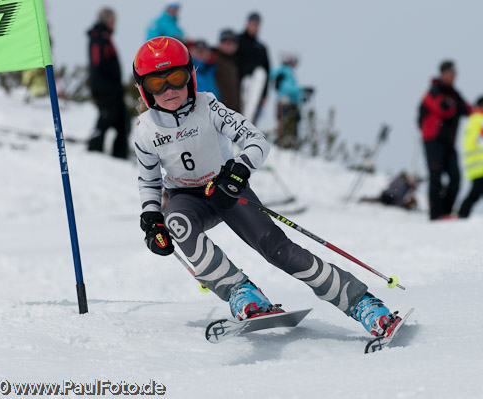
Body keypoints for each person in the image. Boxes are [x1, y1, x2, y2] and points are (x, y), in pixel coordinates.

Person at [132, 36, 403, 338]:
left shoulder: (208, 106)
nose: (169, 90)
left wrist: (238, 171)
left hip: (227, 189)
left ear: (190, 77)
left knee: (278, 249)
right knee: (176, 223)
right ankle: (241, 292)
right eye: (157, 83)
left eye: (176, 78)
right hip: (187, 198)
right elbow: (149, 179)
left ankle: (363, 304)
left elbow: (256, 140)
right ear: (144, 90)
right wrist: (151, 217)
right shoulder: (145, 131)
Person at [418, 60, 471, 220]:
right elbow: (444, 109)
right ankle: (435, 215)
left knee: (455, 177)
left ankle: (446, 212)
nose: (453, 77)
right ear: (442, 73)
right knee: (436, 176)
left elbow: (467, 109)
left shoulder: (454, 93)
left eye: (455, 74)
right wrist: (455, 107)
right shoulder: (433, 90)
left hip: (449, 143)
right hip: (433, 140)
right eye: (450, 73)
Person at [87, 7, 130, 159]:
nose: (115, 23)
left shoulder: (104, 36)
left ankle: (120, 155)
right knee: (106, 119)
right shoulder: (99, 36)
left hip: (111, 87)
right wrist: (111, 80)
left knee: (122, 121)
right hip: (105, 88)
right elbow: (98, 62)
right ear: (107, 20)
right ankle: (93, 151)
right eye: (113, 19)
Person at [270, 54, 314, 149]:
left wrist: (302, 98)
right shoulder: (286, 72)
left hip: (288, 103)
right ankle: (284, 146)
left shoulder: (284, 73)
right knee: (286, 126)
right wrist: (302, 90)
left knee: (287, 126)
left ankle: (286, 145)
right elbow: (288, 89)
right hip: (287, 103)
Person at [236, 12, 270, 125]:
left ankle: (248, 127)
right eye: (252, 23)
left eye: (257, 24)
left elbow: (267, 70)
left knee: (251, 111)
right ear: (247, 24)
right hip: (240, 83)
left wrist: (264, 94)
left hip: (256, 86)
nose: (254, 27)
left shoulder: (261, 48)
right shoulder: (238, 40)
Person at [214, 29, 240, 112]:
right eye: (225, 42)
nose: (228, 45)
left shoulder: (235, 63)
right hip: (217, 109)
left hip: (232, 111)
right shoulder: (213, 59)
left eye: (231, 42)